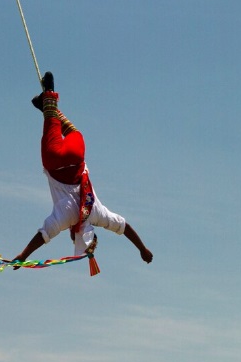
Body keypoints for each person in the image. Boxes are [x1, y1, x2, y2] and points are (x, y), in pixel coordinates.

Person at [11, 71, 153, 267]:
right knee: (50, 125)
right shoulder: (65, 218)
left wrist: (143, 249)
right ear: (74, 234)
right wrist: (22, 255)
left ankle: (50, 108)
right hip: (55, 160)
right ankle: (49, 98)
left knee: (74, 132)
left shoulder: (98, 214)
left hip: (76, 156)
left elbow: (124, 227)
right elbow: (43, 235)